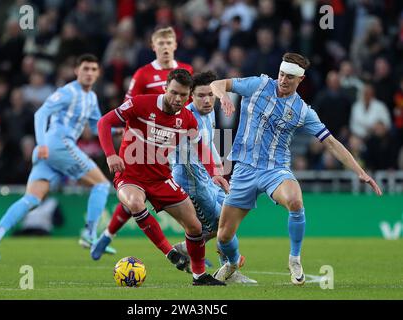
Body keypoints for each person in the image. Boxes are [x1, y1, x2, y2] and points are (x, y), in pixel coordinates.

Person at [209, 52, 382, 285]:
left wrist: (359, 171)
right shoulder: (258, 85)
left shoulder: (302, 111)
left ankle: (294, 258)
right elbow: (217, 83)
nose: (283, 80)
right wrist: (223, 97)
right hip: (244, 169)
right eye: (281, 74)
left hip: (275, 170)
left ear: (300, 80)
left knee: (295, 201)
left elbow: (330, 142)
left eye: (290, 77)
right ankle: (232, 263)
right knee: (223, 236)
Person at [95, 69, 226, 286]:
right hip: (130, 175)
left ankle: (199, 276)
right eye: (173, 92)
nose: (177, 99)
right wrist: (110, 155)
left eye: (183, 95)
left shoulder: (187, 119)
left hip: (160, 178)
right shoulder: (140, 104)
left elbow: (201, 148)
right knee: (135, 202)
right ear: (165, 88)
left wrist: (215, 174)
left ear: (189, 95)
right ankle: (170, 253)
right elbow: (104, 123)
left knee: (194, 227)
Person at [0, 54, 115, 261]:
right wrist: (42, 143)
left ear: (98, 73)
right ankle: (89, 235)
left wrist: (118, 131)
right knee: (102, 185)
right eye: (85, 69)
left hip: (52, 152)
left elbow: (98, 127)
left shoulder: (92, 98)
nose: (89, 73)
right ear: (76, 71)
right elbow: (40, 114)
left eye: (93, 69)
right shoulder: (68, 92)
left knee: (32, 199)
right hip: (58, 144)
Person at [104, 26, 194, 248]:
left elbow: (189, 108)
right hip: (143, 140)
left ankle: (193, 246)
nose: (165, 47)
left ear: (175, 45)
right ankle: (108, 234)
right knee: (136, 192)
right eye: (160, 44)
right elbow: (128, 106)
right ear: (153, 47)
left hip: (173, 138)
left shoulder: (186, 70)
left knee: (185, 194)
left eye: (168, 43)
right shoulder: (143, 73)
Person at [171, 71, 256, 284]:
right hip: (193, 184)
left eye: (210, 94)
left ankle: (185, 248)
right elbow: (189, 161)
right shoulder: (186, 118)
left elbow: (208, 148)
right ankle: (230, 268)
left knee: (226, 220)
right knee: (223, 224)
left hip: (208, 179)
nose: (207, 100)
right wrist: (209, 179)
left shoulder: (210, 113)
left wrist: (217, 174)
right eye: (201, 95)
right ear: (191, 96)